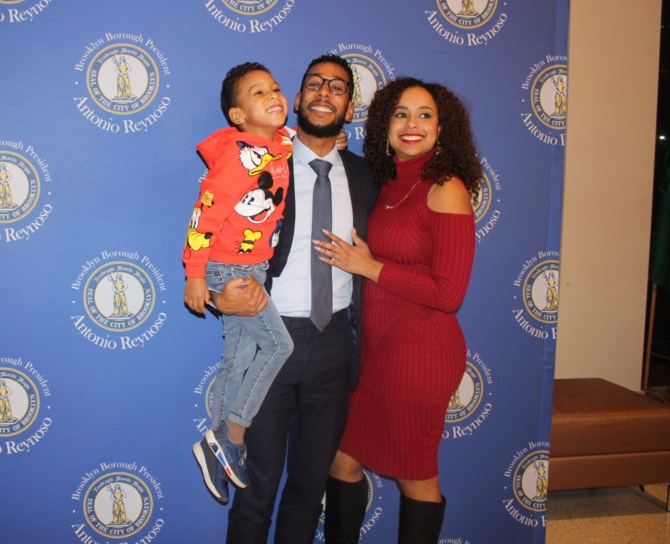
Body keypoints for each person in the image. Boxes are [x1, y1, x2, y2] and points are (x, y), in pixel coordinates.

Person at [211, 54, 376, 544]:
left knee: (308, 490)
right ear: (299, 98)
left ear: (349, 106)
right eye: (314, 84)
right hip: (272, 337)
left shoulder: (366, 175)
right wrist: (218, 293)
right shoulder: (260, 161)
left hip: (334, 346)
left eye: (338, 87)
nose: (325, 93)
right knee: (256, 488)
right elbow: (215, 229)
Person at [319, 78, 482, 544]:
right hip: (371, 352)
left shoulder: (446, 188)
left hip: (420, 355)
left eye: (425, 115)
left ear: (442, 127)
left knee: (416, 476)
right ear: (384, 126)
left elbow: (449, 293)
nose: (412, 124)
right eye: (401, 114)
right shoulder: (385, 180)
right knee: (342, 461)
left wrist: (372, 267)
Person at [184, 62, 295, 504]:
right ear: (237, 115)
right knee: (278, 346)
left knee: (239, 352)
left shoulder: (281, 144)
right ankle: (229, 436)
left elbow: (295, 141)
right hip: (229, 270)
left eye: (275, 88)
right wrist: (195, 274)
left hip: (256, 266)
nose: (272, 96)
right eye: (257, 93)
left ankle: (218, 445)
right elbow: (203, 215)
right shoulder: (235, 158)